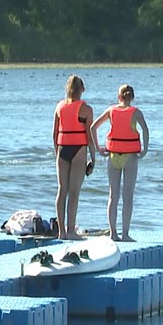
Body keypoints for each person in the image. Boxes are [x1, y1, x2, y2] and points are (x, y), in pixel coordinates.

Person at [91, 84, 150, 242]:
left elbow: (93, 127)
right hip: (130, 157)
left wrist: (98, 149)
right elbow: (145, 130)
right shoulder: (136, 112)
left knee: (113, 196)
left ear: (119, 97)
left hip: (113, 156)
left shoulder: (111, 111)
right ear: (132, 97)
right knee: (128, 196)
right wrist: (144, 149)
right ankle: (125, 234)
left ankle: (113, 233)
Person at [52, 75, 97, 240]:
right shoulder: (86, 109)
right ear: (82, 90)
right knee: (74, 192)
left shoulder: (59, 106)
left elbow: (54, 134)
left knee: (62, 190)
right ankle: (71, 230)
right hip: (79, 149)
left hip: (63, 147)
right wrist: (93, 158)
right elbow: (89, 137)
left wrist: (58, 153)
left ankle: (61, 232)